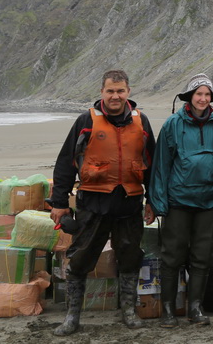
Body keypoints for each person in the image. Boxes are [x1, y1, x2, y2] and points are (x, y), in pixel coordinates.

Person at [48, 69, 156, 337]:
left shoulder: (141, 121)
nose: (115, 96)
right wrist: (59, 203)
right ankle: (73, 316)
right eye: (110, 91)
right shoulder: (86, 121)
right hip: (93, 205)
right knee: (81, 259)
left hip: (129, 204)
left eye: (120, 91)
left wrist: (153, 200)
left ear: (128, 92)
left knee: (130, 258)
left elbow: (153, 166)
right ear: (102, 93)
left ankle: (128, 311)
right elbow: (65, 163)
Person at [150, 73, 213, 328]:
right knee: (171, 256)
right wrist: (159, 202)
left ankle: (195, 308)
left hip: (208, 203)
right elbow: (161, 166)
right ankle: (167, 310)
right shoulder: (172, 125)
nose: (203, 98)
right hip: (178, 202)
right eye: (199, 94)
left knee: (201, 256)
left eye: (207, 94)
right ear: (190, 96)